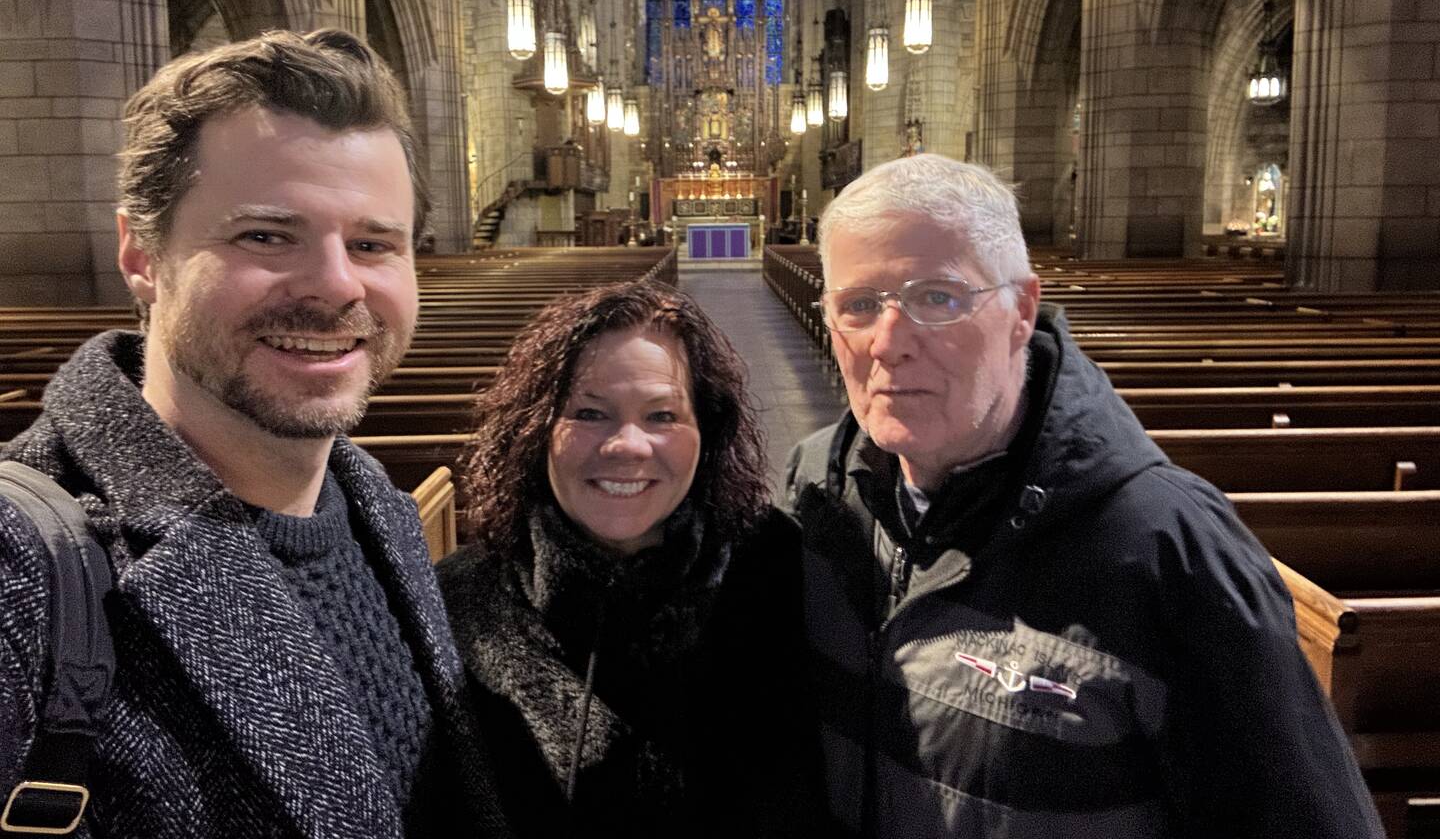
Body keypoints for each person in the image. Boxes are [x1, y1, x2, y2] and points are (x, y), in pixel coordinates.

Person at [0, 30, 508, 839]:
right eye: (266, 235)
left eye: (373, 243)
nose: (338, 285)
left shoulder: (380, 507)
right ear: (141, 253)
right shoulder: (23, 567)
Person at [784, 154, 1383, 838]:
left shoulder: (1171, 551)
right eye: (859, 305)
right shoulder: (813, 493)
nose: (889, 343)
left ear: (1021, 311)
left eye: (938, 298)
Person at [438, 280, 822, 839]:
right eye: (590, 413)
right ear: (536, 429)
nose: (627, 446)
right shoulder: (460, 604)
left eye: (662, 416)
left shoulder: (782, 571)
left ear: (707, 431)